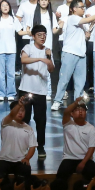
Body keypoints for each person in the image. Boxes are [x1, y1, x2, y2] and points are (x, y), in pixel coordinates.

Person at [52, 0, 95, 110]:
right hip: (70, 53)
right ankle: (57, 101)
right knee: (64, 79)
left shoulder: (82, 23)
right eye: (81, 7)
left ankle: (78, 102)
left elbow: (85, 36)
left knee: (80, 81)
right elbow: (88, 19)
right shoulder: (72, 18)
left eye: (84, 7)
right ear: (74, 9)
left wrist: (89, 32)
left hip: (81, 54)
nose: (83, 9)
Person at [20, 24, 54, 159]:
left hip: (41, 90)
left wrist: (48, 58)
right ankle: (23, 145)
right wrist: (40, 58)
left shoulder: (47, 51)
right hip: (26, 89)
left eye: (44, 35)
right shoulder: (28, 47)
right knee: (24, 119)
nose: (42, 37)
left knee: (41, 120)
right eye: (39, 35)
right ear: (33, 36)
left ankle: (40, 146)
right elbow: (24, 60)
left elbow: (51, 69)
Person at [58, 99, 95, 182]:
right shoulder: (68, 124)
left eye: (83, 110)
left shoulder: (91, 128)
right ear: (72, 114)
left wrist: (83, 163)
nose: (80, 112)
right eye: (77, 110)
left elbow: (91, 148)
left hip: (85, 160)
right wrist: (75, 103)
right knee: (60, 177)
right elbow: (66, 112)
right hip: (69, 159)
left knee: (91, 172)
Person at [0, 97, 37, 178]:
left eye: (22, 110)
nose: (20, 113)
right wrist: (19, 104)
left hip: (20, 161)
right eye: (18, 110)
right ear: (12, 111)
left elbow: (32, 146)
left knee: (24, 176)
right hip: (4, 160)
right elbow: (11, 115)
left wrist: (27, 158)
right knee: (0, 178)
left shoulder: (29, 128)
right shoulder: (6, 122)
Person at [0, 0, 19, 101]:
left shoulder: (13, 19)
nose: (5, 7)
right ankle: (1, 93)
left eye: (7, 5)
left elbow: (20, 31)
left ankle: (11, 93)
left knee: (10, 73)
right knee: (0, 73)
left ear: (9, 7)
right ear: (0, 8)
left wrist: (29, 32)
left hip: (11, 49)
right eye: (3, 5)